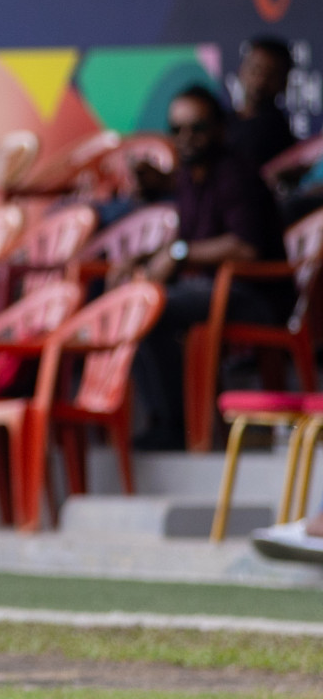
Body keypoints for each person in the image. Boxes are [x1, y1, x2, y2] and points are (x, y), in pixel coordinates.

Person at [127, 85, 289, 451]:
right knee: (135, 300)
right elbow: (184, 241)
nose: (186, 138)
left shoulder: (235, 173)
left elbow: (244, 248)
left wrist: (179, 254)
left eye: (197, 128)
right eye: (177, 129)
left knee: (156, 305)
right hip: (212, 291)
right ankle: (165, 419)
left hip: (255, 295)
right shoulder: (188, 178)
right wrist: (140, 260)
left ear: (219, 129)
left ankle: (176, 426)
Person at [230, 36, 296, 171]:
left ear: (284, 82)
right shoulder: (221, 121)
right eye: (255, 69)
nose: (260, 81)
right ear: (241, 70)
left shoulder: (277, 132)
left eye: (271, 74)